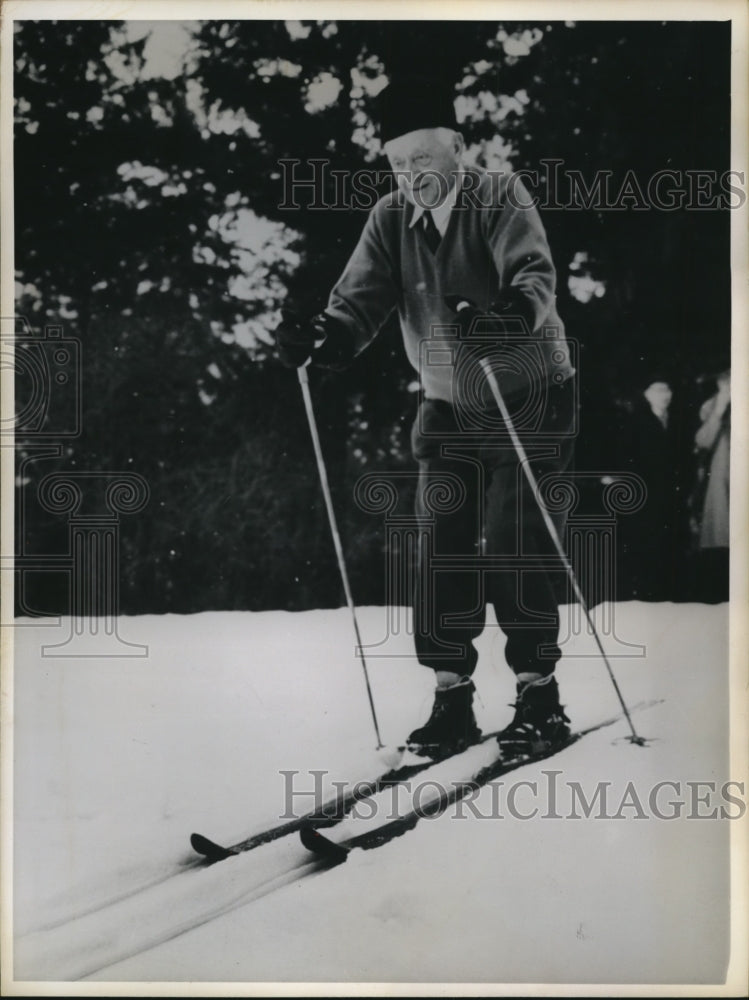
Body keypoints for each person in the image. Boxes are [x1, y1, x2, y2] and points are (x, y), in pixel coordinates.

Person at [275, 74, 577, 760]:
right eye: (398, 163)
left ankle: (538, 693)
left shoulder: (500, 195)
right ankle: (450, 695)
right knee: (441, 544)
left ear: (458, 149)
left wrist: (505, 318)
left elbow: (533, 276)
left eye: (423, 159)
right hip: (444, 400)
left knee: (511, 538)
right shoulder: (389, 218)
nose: (412, 176)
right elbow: (356, 303)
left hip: (523, 392)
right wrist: (321, 340)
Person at [691, 370, 730, 602]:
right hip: (721, 483)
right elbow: (702, 440)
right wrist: (719, 408)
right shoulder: (712, 406)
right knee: (721, 544)